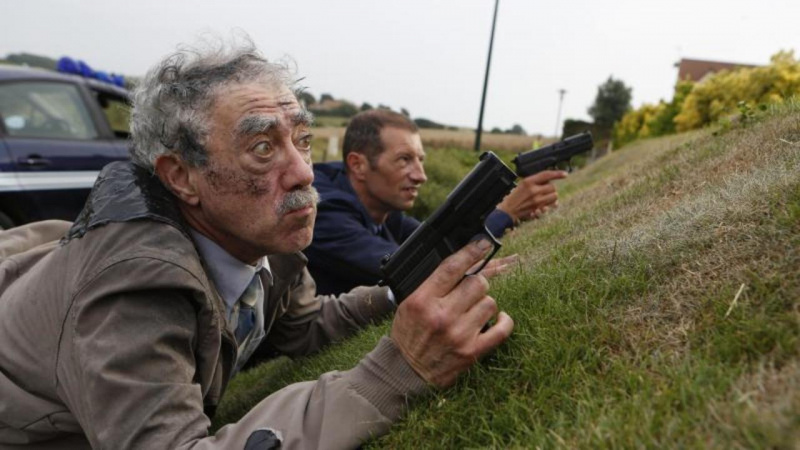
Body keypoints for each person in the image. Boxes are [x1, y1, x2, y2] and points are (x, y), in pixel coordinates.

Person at [0, 38, 514, 449]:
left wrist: (401, 292)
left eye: (302, 139)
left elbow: (305, 324)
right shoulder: (131, 292)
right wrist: (396, 371)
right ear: (181, 176)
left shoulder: (265, 242)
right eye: (262, 147)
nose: (303, 172)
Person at [306, 109, 567, 295]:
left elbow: (438, 243)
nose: (421, 175)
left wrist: (510, 213)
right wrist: (505, 213)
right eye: (404, 159)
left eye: (420, 160)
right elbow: (407, 271)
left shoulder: (383, 207)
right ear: (358, 165)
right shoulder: (321, 210)